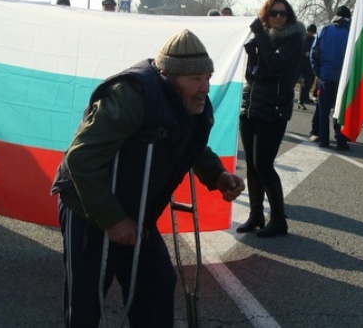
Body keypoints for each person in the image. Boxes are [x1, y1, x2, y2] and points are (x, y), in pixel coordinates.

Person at [51, 29, 245, 327]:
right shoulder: (131, 96)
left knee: (155, 285)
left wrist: (217, 175)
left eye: (207, 76)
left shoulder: (191, 103)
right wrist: (113, 219)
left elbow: (190, 144)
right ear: (169, 76)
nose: (205, 87)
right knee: (86, 303)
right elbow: (80, 159)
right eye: (195, 78)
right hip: (88, 206)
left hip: (137, 210)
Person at [238, 0, 305, 238]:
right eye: (274, 13)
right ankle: (256, 215)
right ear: (266, 14)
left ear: (289, 16)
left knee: (264, 164)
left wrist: (260, 38)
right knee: (252, 167)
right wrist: (253, 49)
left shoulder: (294, 40)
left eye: (283, 13)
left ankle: (278, 220)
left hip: (273, 110)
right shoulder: (260, 39)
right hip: (250, 106)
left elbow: (276, 64)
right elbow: (251, 74)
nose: (278, 17)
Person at [311, 5, 352, 151]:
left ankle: (323, 140)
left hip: (325, 76)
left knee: (323, 110)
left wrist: (318, 72)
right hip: (342, 78)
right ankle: (341, 140)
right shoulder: (350, 33)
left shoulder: (324, 29)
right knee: (340, 110)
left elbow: (313, 53)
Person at [296, 24, 317, 109]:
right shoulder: (301, 38)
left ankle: (302, 99)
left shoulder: (313, 40)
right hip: (299, 63)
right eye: (310, 32)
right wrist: (304, 53)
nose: (311, 34)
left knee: (306, 83)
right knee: (293, 80)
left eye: (312, 33)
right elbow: (297, 49)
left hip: (308, 64)